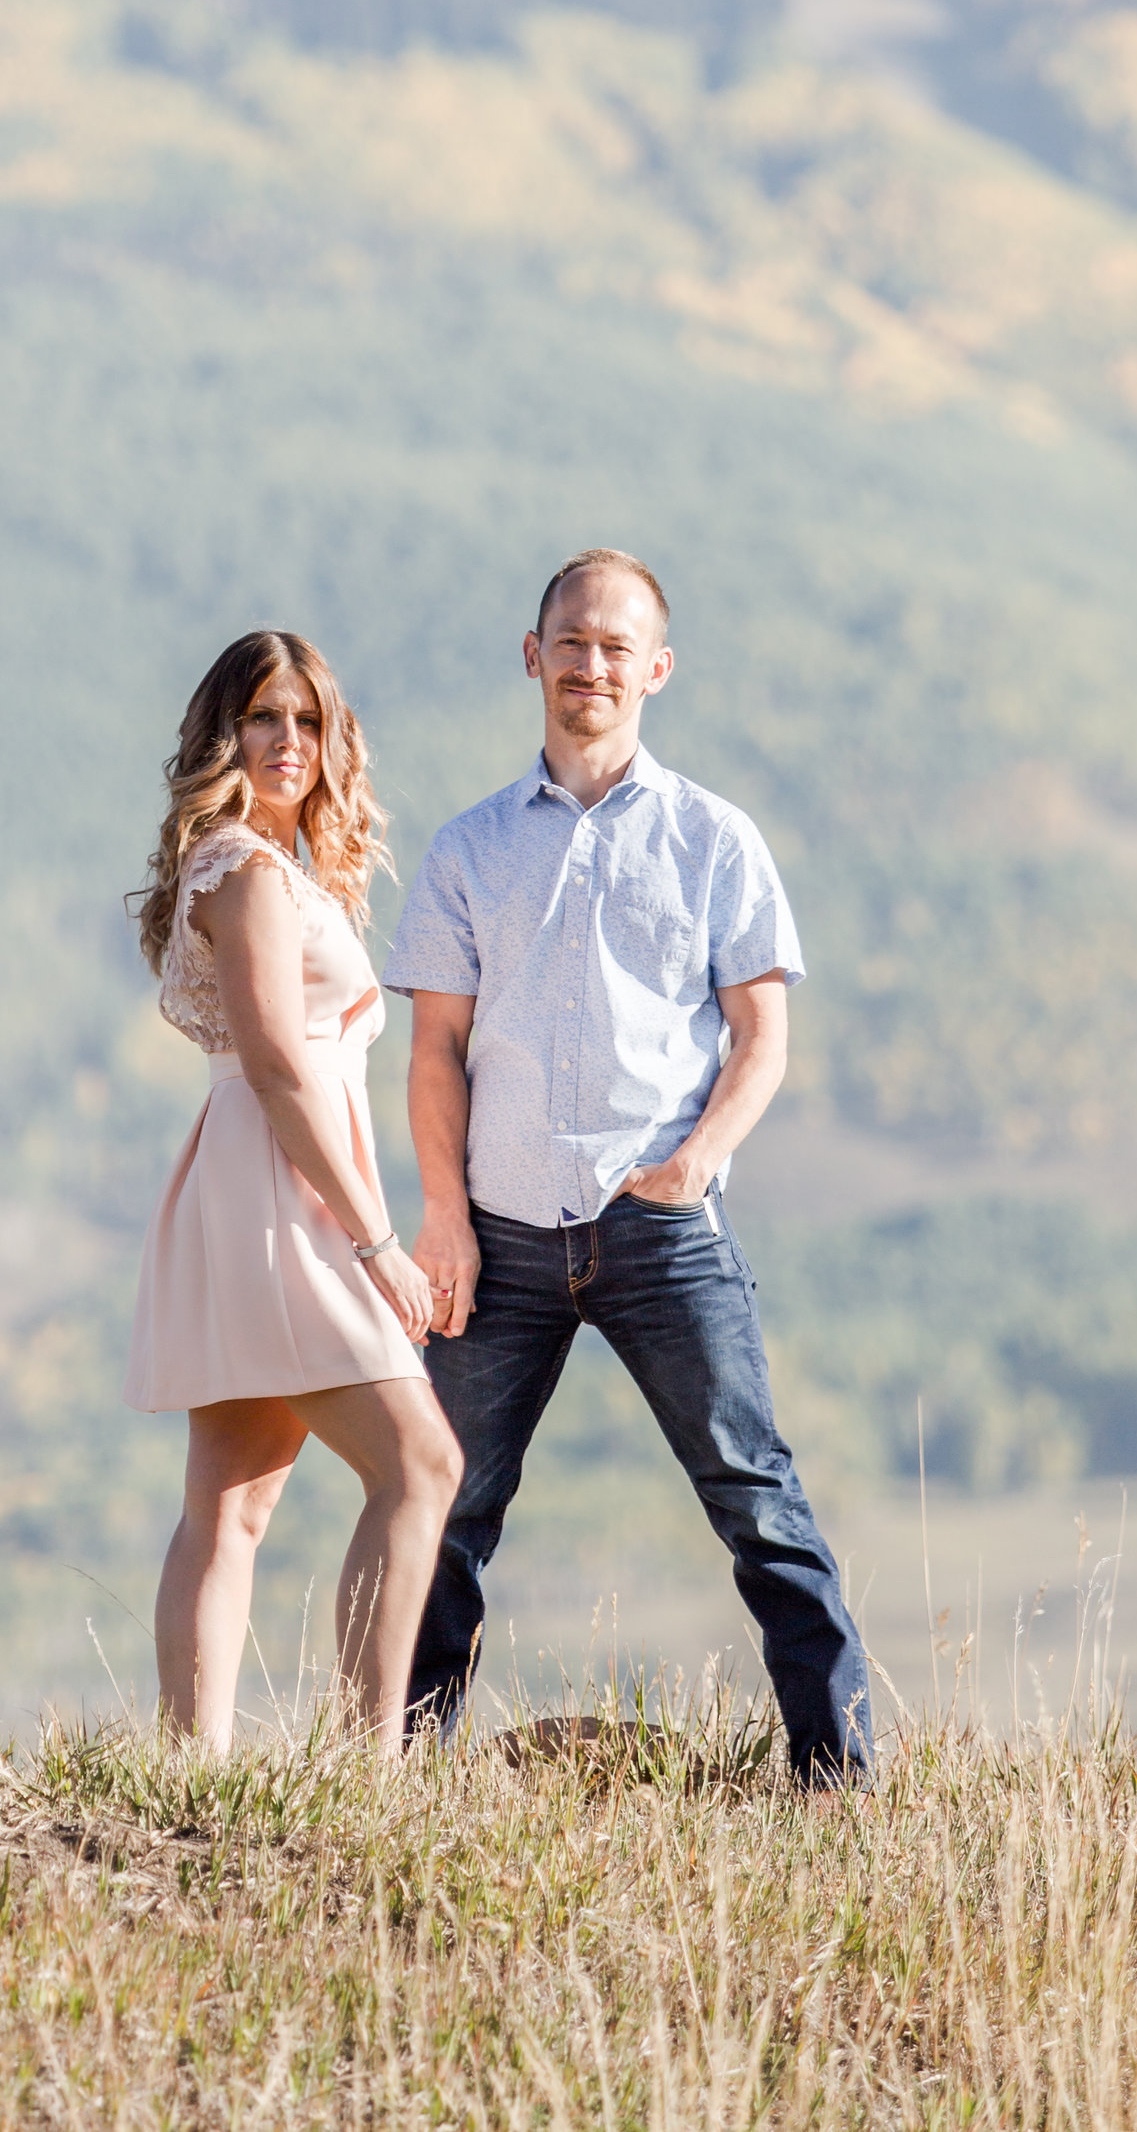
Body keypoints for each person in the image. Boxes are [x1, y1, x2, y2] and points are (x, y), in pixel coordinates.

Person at [384, 548, 874, 1780]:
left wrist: (698, 1162)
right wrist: (441, 1216)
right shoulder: (467, 849)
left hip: (659, 1226)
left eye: (615, 646)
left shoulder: (714, 839)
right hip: (496, 1234)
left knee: (754, 1499)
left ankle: (841, 1780)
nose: (589, 664)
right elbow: (434, 1050)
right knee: (443, 1507)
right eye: (570, 639)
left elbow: (763, 1037)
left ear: (655, 669)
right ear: (532, 654)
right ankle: (400, 1775)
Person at [126, 628, 463, 1749]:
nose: (287, 741)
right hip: (285, 1191)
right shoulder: (247, 871)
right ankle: (368, 1766)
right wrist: (377, 1242)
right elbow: (276, 1066)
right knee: (420, 1461)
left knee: (231, 1500)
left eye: (307, 720)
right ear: (225, 733)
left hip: (252, 1175)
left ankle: (191, 1772)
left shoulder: (252, 866)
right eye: (264, 717)